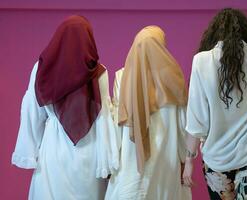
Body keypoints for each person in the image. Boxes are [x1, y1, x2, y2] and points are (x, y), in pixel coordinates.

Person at [11, 15, 119, 200]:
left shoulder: (41, 68)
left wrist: (29, 152)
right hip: (89, 156)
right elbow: (104, 118)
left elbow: (32, 112)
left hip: (53, 151)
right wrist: (106, 161)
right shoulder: (98, 71)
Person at [182, 8, 247, 200]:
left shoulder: (201, 61)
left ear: (213, 35)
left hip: (216, 158)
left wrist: (189, 160)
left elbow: (196, 119)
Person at [105, 26, 192, 200]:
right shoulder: (174, 78)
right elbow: (184, 126)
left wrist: (112, 160)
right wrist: (184, 158)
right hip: (167, 161)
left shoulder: (122, 77)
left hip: (130, 160)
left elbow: (116, 124)